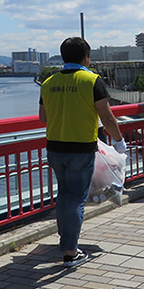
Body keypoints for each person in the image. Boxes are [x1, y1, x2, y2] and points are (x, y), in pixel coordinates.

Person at [40, 37, 126, 267]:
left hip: (55, 148)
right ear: (86, 57)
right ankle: (71, 251)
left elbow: (43, 117)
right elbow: (107, 117)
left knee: (65, 195)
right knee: (77, 198)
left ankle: (64, 240)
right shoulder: (92, 80)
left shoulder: (48, 82)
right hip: (81, 148)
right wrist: (119, 141)